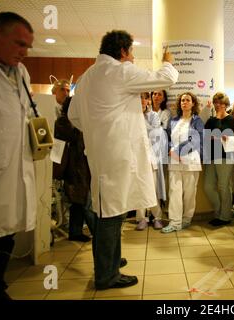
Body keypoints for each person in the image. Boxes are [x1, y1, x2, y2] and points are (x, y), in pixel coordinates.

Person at [68, 30, 178, 290]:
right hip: (118, 155)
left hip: (102, 153)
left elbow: (74, 116)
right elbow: (166, 78)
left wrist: (98, 130)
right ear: (123, 52)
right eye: (132, 53)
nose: (132, 58)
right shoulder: (119, 71)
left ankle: (112, 262)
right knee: (110, 215)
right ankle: (106, 275)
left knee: (110, 211)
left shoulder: (86, 78)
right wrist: (168, 60)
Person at [0, 12, 35, 300]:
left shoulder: (21, 73)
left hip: (13, 171)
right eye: (19, 44)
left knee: (4, 237)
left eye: (28, 47)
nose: (24, 52)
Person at [53, 96, 94, 242]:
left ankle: (75, 232)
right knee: (86, 203)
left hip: (81, 167)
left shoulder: (75, 122)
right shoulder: (64, 122)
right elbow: (69, 139)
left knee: (79, 202)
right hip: (74, 168)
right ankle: (99, 234)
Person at [162, 92, 204, 233]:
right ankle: (175, 222)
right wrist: (171, 151)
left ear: (193, 103)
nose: (184, 102)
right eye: (182, 100)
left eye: (187, 100)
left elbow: (197, 139)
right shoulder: (173, 121)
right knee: (174, 191)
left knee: (190, 193)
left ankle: (186, 219)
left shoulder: (197, 121)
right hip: (174, 159)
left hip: (191, 160)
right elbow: (166, 138)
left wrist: (178, 151)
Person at [204, 92, 234, 226]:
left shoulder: (230, 119)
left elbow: (226, 136)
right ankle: (218, 210)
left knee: (224, 186)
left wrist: (216, 135)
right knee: (208, 186)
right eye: (216, 102)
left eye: (221, 103)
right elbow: (206, 136)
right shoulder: (211, 120)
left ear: (226, 104)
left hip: (225, 155)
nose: (218, 105)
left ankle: (225, 216)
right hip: (211, 155)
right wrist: (216, 135)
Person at [136, 92, 165, 231]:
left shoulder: (153, 116)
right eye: (139, 97)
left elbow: (155, 134)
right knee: (139, 188)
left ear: (148, 100)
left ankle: (157, 217)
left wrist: (142, 130)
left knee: (152, 188)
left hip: (150, 156)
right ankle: (142, 218)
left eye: (145, 98)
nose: (142, 100)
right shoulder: (131, 115)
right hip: (136, 157)